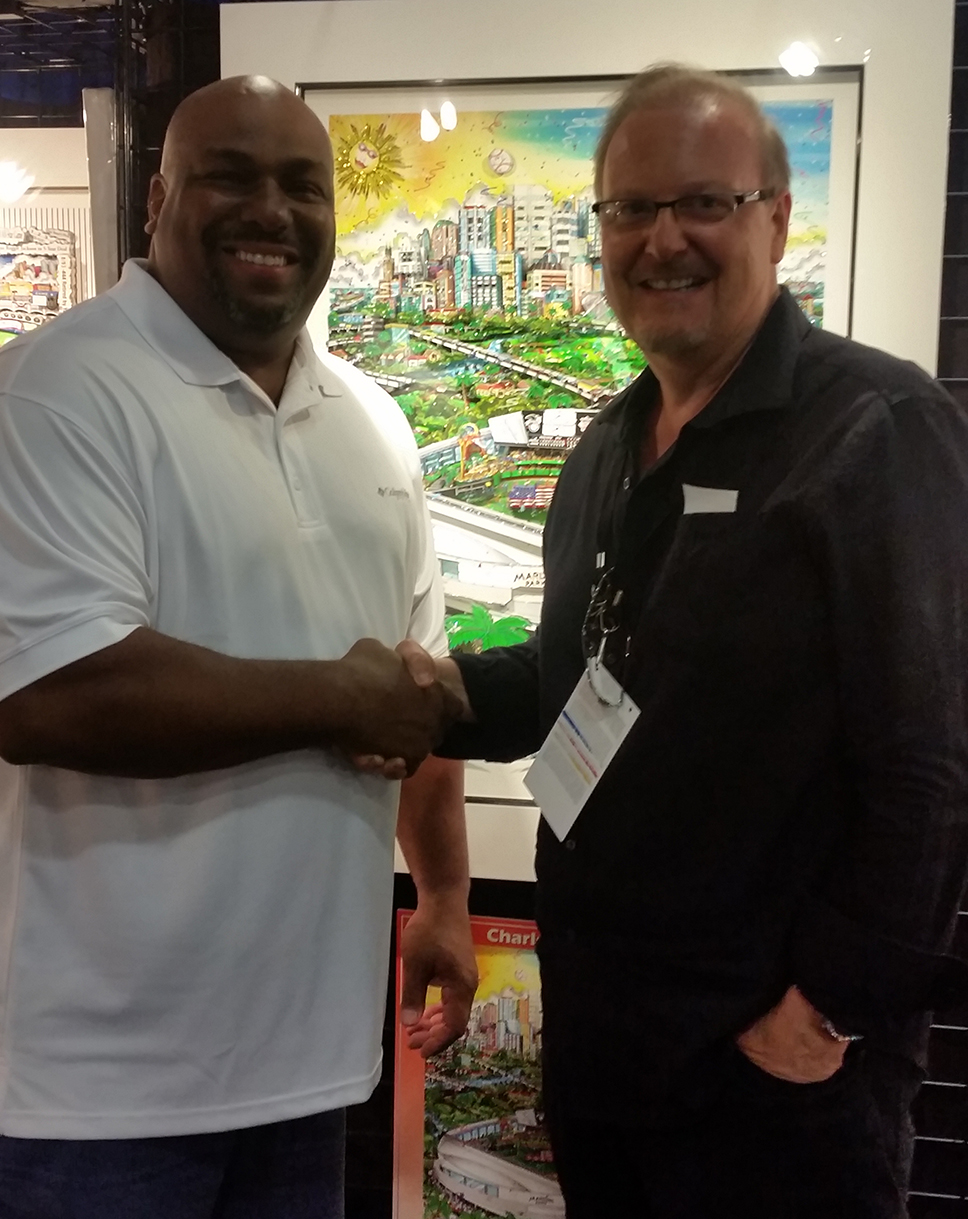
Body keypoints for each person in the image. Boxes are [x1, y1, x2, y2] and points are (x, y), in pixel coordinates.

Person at [398, 64, 968, 1217]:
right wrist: (416, 692)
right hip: (609, 1050)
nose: (665, 239)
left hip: (777, 1085)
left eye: (704, 202)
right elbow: (587, 678)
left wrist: (827, 1008)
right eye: (632, 209)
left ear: (776, 218)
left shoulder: (873, 431)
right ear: (600, 230)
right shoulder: (607, 452)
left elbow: (930, 763)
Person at [0, 75, 476, 1219]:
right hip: (95, 1098)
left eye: (304, 185)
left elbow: (414, 684)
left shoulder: (372, 420)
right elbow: (51, 697)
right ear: (157, 198)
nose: (272, 210)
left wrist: (441, 892)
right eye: (230, 177)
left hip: (306, 1071)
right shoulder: (51, 395)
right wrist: (339, 701)